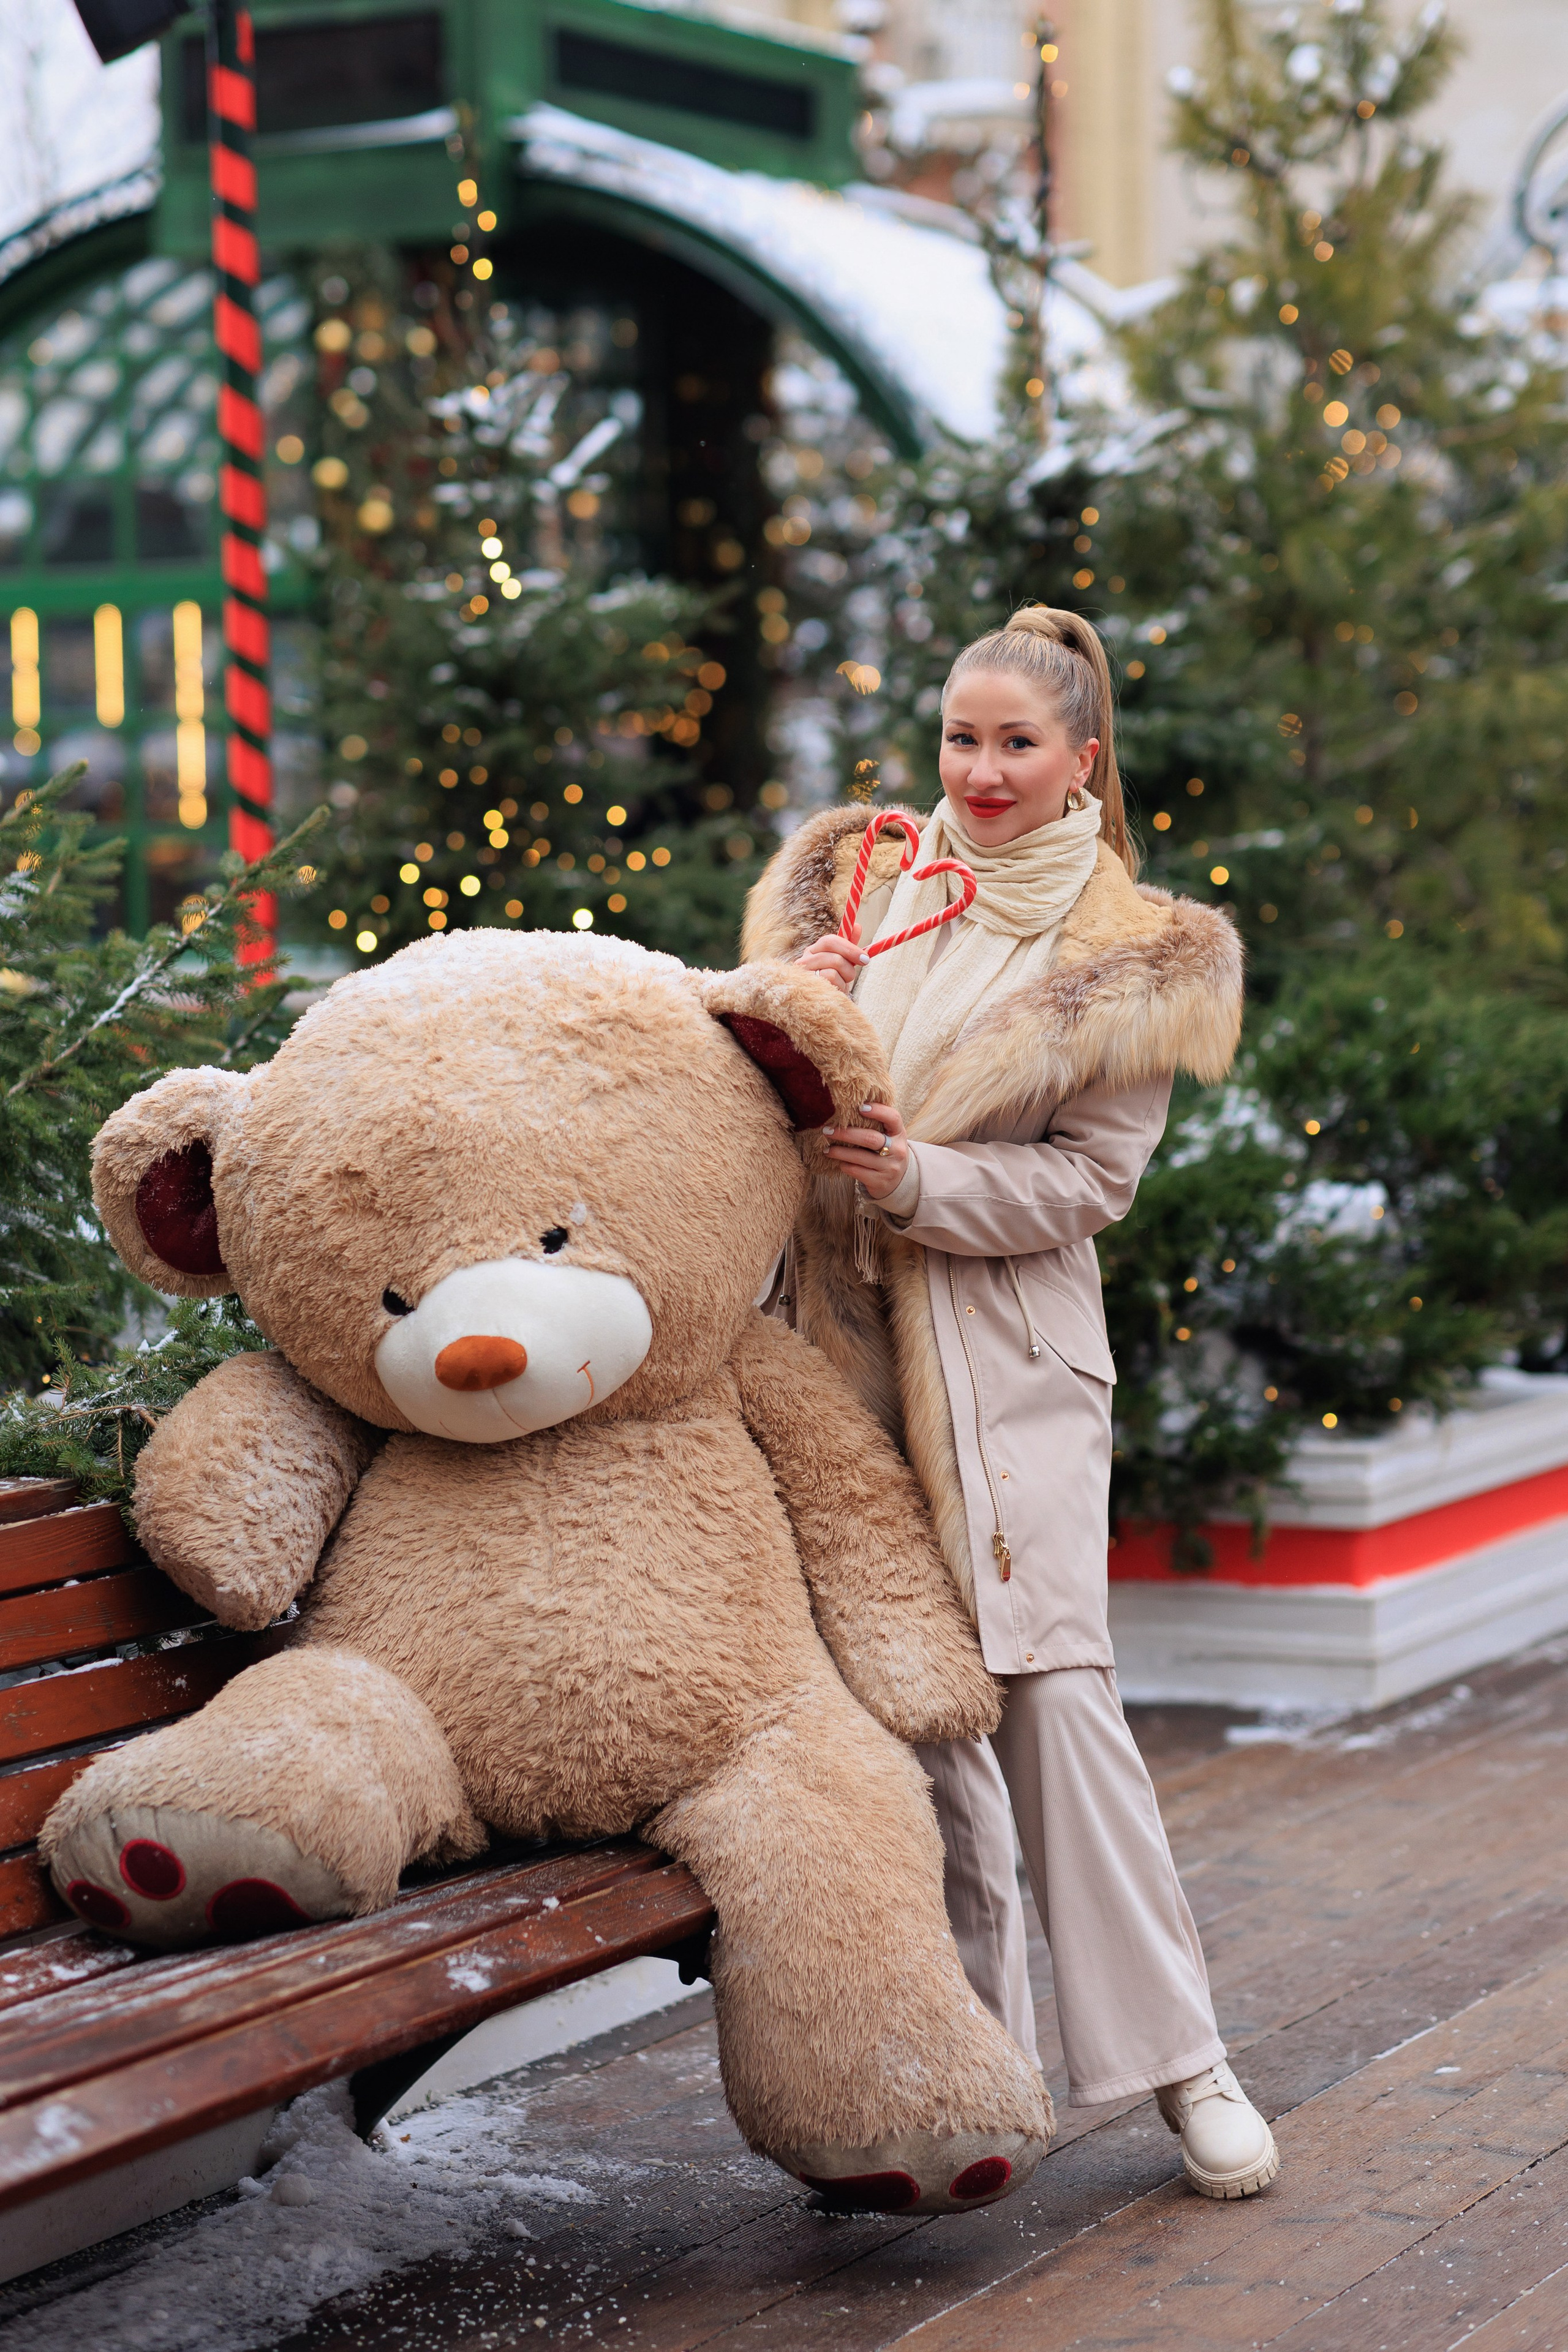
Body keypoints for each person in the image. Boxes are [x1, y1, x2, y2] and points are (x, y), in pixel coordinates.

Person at [741, 605, 1277, 2201]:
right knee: (909, 1721)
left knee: (1051, 1701)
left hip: (1006, 1372)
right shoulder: (865, 886)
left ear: (1081, 764)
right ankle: (957, 2085)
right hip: (832, 1363)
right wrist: (795, 1009)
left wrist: (916, 1177)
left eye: (1017, 742)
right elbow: (751, 1094)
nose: (980, 769)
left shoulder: (1128, 957)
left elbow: (1088, 1185)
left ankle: (1189, 2066)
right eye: (962, 737)